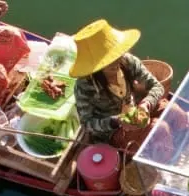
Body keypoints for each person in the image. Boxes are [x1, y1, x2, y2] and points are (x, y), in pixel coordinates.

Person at [69, 19, 165, 147]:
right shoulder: (85, 86)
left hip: (135, 109)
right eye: (108, 60)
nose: (115, 62)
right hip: (112, 131)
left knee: (173, 111)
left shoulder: (128, 61)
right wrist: (116, 121)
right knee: (159, 128)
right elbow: (87, 124)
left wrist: (146, 104)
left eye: (116, 55)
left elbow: (157, 86)